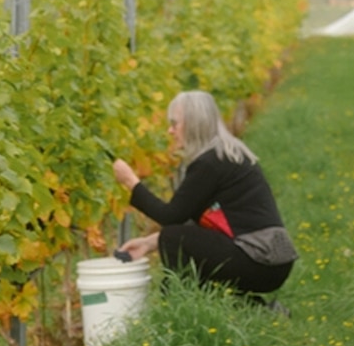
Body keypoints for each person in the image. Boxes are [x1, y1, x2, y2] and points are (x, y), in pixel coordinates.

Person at [111, 89, 296, 301]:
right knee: (182, 236)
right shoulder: (225, 153)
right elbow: (193, 220)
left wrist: (130, 181)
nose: (170, 131)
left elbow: (171, 216)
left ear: (194, 124)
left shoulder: (211, 162)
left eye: (175, 123)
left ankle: (179, 307)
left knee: (175, 238)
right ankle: (250, 307)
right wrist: (148, 243)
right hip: (270, 261)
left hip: (260, 259)